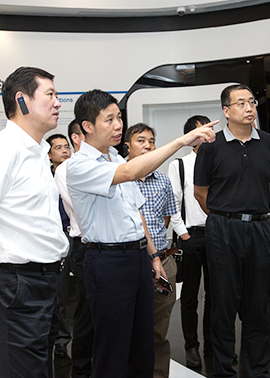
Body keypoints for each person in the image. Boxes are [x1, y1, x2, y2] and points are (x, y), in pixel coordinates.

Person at [66, 89, 216, 378]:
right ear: (87, 126)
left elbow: (137, 215)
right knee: (113, 347)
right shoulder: (80, 165)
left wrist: (154, 256)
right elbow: (131, 174)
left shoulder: (114, 159)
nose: (118, 125)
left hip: (137, 257)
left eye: (119, 117)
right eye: (109, 119)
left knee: (143, 344)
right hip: (108, 261)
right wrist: (182, 141)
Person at [0, 66, 70, 378]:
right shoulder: (3, 149)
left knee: (35, 367)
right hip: (17, 283)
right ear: (21, 100)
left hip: (42, 279)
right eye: (50, 94)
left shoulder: (36, 151)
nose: (58, 102)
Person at [194, 84, 270, 378]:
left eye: (252, 102)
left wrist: (251, 210)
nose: (249, 108)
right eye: (241, 103)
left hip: (260, 228)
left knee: (257, 303)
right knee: (223, 303)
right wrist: (226, 215)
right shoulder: (211, 146)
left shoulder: (268, 143)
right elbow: (200, 193)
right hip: (223, 229)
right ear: (226, 110)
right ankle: (224, 370)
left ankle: (258, 369)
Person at [125, 123, 178, 378]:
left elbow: (165, 220)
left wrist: (155, 251)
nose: (147, 146)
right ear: (128, 146)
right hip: (129, 261)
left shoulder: (163, 181)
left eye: (151, 141)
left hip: (163, 263)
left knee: (158, 330)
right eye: (141, 140)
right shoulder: (119, 176)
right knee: (127, 329)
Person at [168, 115, 212, 369]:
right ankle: (191, 346)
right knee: (190, 296)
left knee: (216, 295)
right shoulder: (180, 165)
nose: (208, 135)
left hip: (217, 235)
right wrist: (183, 233)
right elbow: (173, 202)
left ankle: (211, 343)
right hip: (191, 236)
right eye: (202, 131)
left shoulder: (218, 160)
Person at [54, 119, 94, 378]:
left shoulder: (109, 162)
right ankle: (81, 368)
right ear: (78, 138)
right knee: (85, 309)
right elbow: (82, 211)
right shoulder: (66, 170)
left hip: (108, 247)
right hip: (83, 243)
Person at [46, 132, 73, 359]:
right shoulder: (44, 177)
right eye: (58, 147)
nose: (64, 151)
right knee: (60, 291)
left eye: (67, 147)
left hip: (76, 234)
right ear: (48, 154)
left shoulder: (76, 173)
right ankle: (61, 339)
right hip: (54, 236)